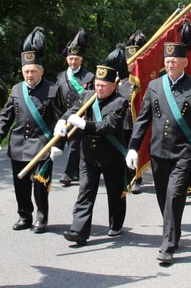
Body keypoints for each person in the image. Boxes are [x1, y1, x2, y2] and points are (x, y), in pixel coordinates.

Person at [126, 41, 191, 265]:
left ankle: (167, 245)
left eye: (175, 61)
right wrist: (133, 147)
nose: (171, 64)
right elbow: (143, 120)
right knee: (164, 197)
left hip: (183, 152)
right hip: (159, 152)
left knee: (174, 196)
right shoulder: (154, 86)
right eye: (168, 61)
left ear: (184, 62)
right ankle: (174, 231)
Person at [0, 27, 65, 234]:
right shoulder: (16, 89)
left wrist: (59, 144)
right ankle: (24, 216)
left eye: (33, 71)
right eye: (26, 71)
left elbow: (62, 120)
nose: (29, 75)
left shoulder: (53, 90)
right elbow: (7, 115)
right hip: (18, 146)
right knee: (20, 185)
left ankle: (42, 218)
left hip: (43, 146)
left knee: (40, 186)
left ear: (41, 71)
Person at [59, 44, 130, 245]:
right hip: (88, 155)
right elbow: (72, 110)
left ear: (113, 86)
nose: (99, 89)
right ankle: (79, 231)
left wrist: (84, 124)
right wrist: (62, 122)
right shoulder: (87, 96)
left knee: (115, 193)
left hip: (112, 155)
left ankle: (116, 224)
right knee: (85, 191)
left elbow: (109, 126)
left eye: (103, 86)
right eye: (97, 85)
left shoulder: (120, 102)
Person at [55, 29, 94, 187]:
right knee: (60, 144)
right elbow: (57, 99)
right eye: (70, 58)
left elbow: (91, 99)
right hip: (64, 116)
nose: (73, 62)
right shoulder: (60, 76)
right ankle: (76, 172)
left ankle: (68, 174)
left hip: (79, 116)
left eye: (76, 59)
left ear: (81, 60)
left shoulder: (89, 77)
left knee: (74, 146)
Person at [123, 30, 147, 194]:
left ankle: (136, 178)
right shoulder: (119, 77)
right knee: (124, 149)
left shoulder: (144, 78)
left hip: (138, 120)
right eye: (129, 62)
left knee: (136, 148)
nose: (131, 65)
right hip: (122, 120)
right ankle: (126, 177)